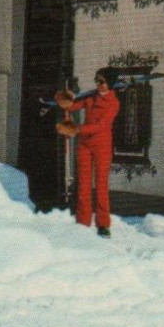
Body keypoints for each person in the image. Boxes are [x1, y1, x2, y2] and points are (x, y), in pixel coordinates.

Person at [55, 69, 121, 237]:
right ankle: (83, 222)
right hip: (85, 144)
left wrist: (77, 129)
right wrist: (66, 103)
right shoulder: (91, 97)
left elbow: (101, 125)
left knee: (100, 186)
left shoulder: (113, 103)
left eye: (102, 81)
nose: (98, 84)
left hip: (102, 146)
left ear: (110, 83)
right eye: (96, 80)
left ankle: (103, 224)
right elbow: (75, 106)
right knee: (83, 184)